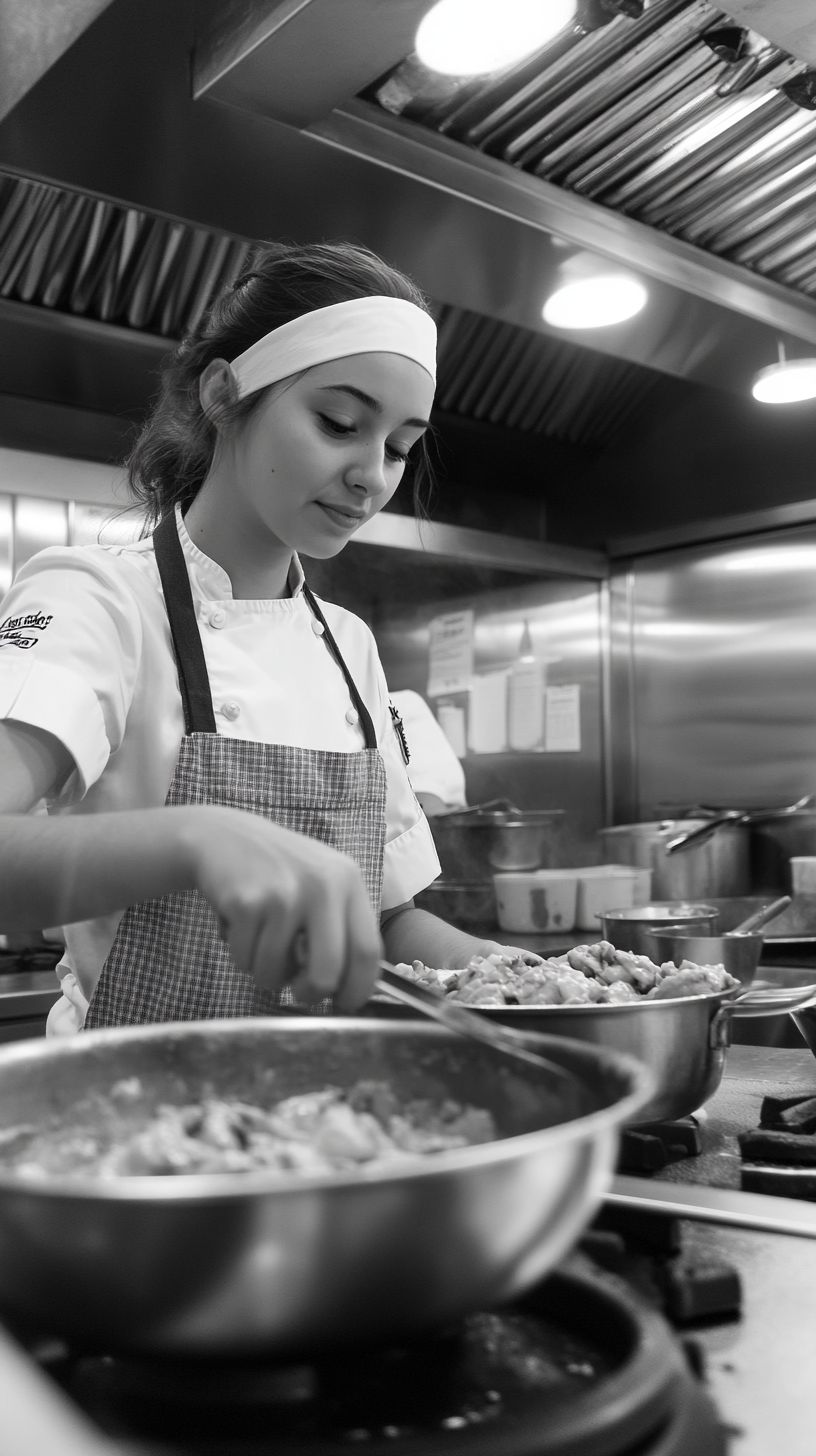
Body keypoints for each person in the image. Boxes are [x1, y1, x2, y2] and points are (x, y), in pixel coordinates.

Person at [0, 241, 533, 1035]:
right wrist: (194, 838)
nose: (372, 477)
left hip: (325, 1118)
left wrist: (534, 983)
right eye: (339, 422)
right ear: (224, 392)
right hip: (138, 1121)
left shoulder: (348, 646)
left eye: (398, 447)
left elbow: (388, 924)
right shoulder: (99, 599)